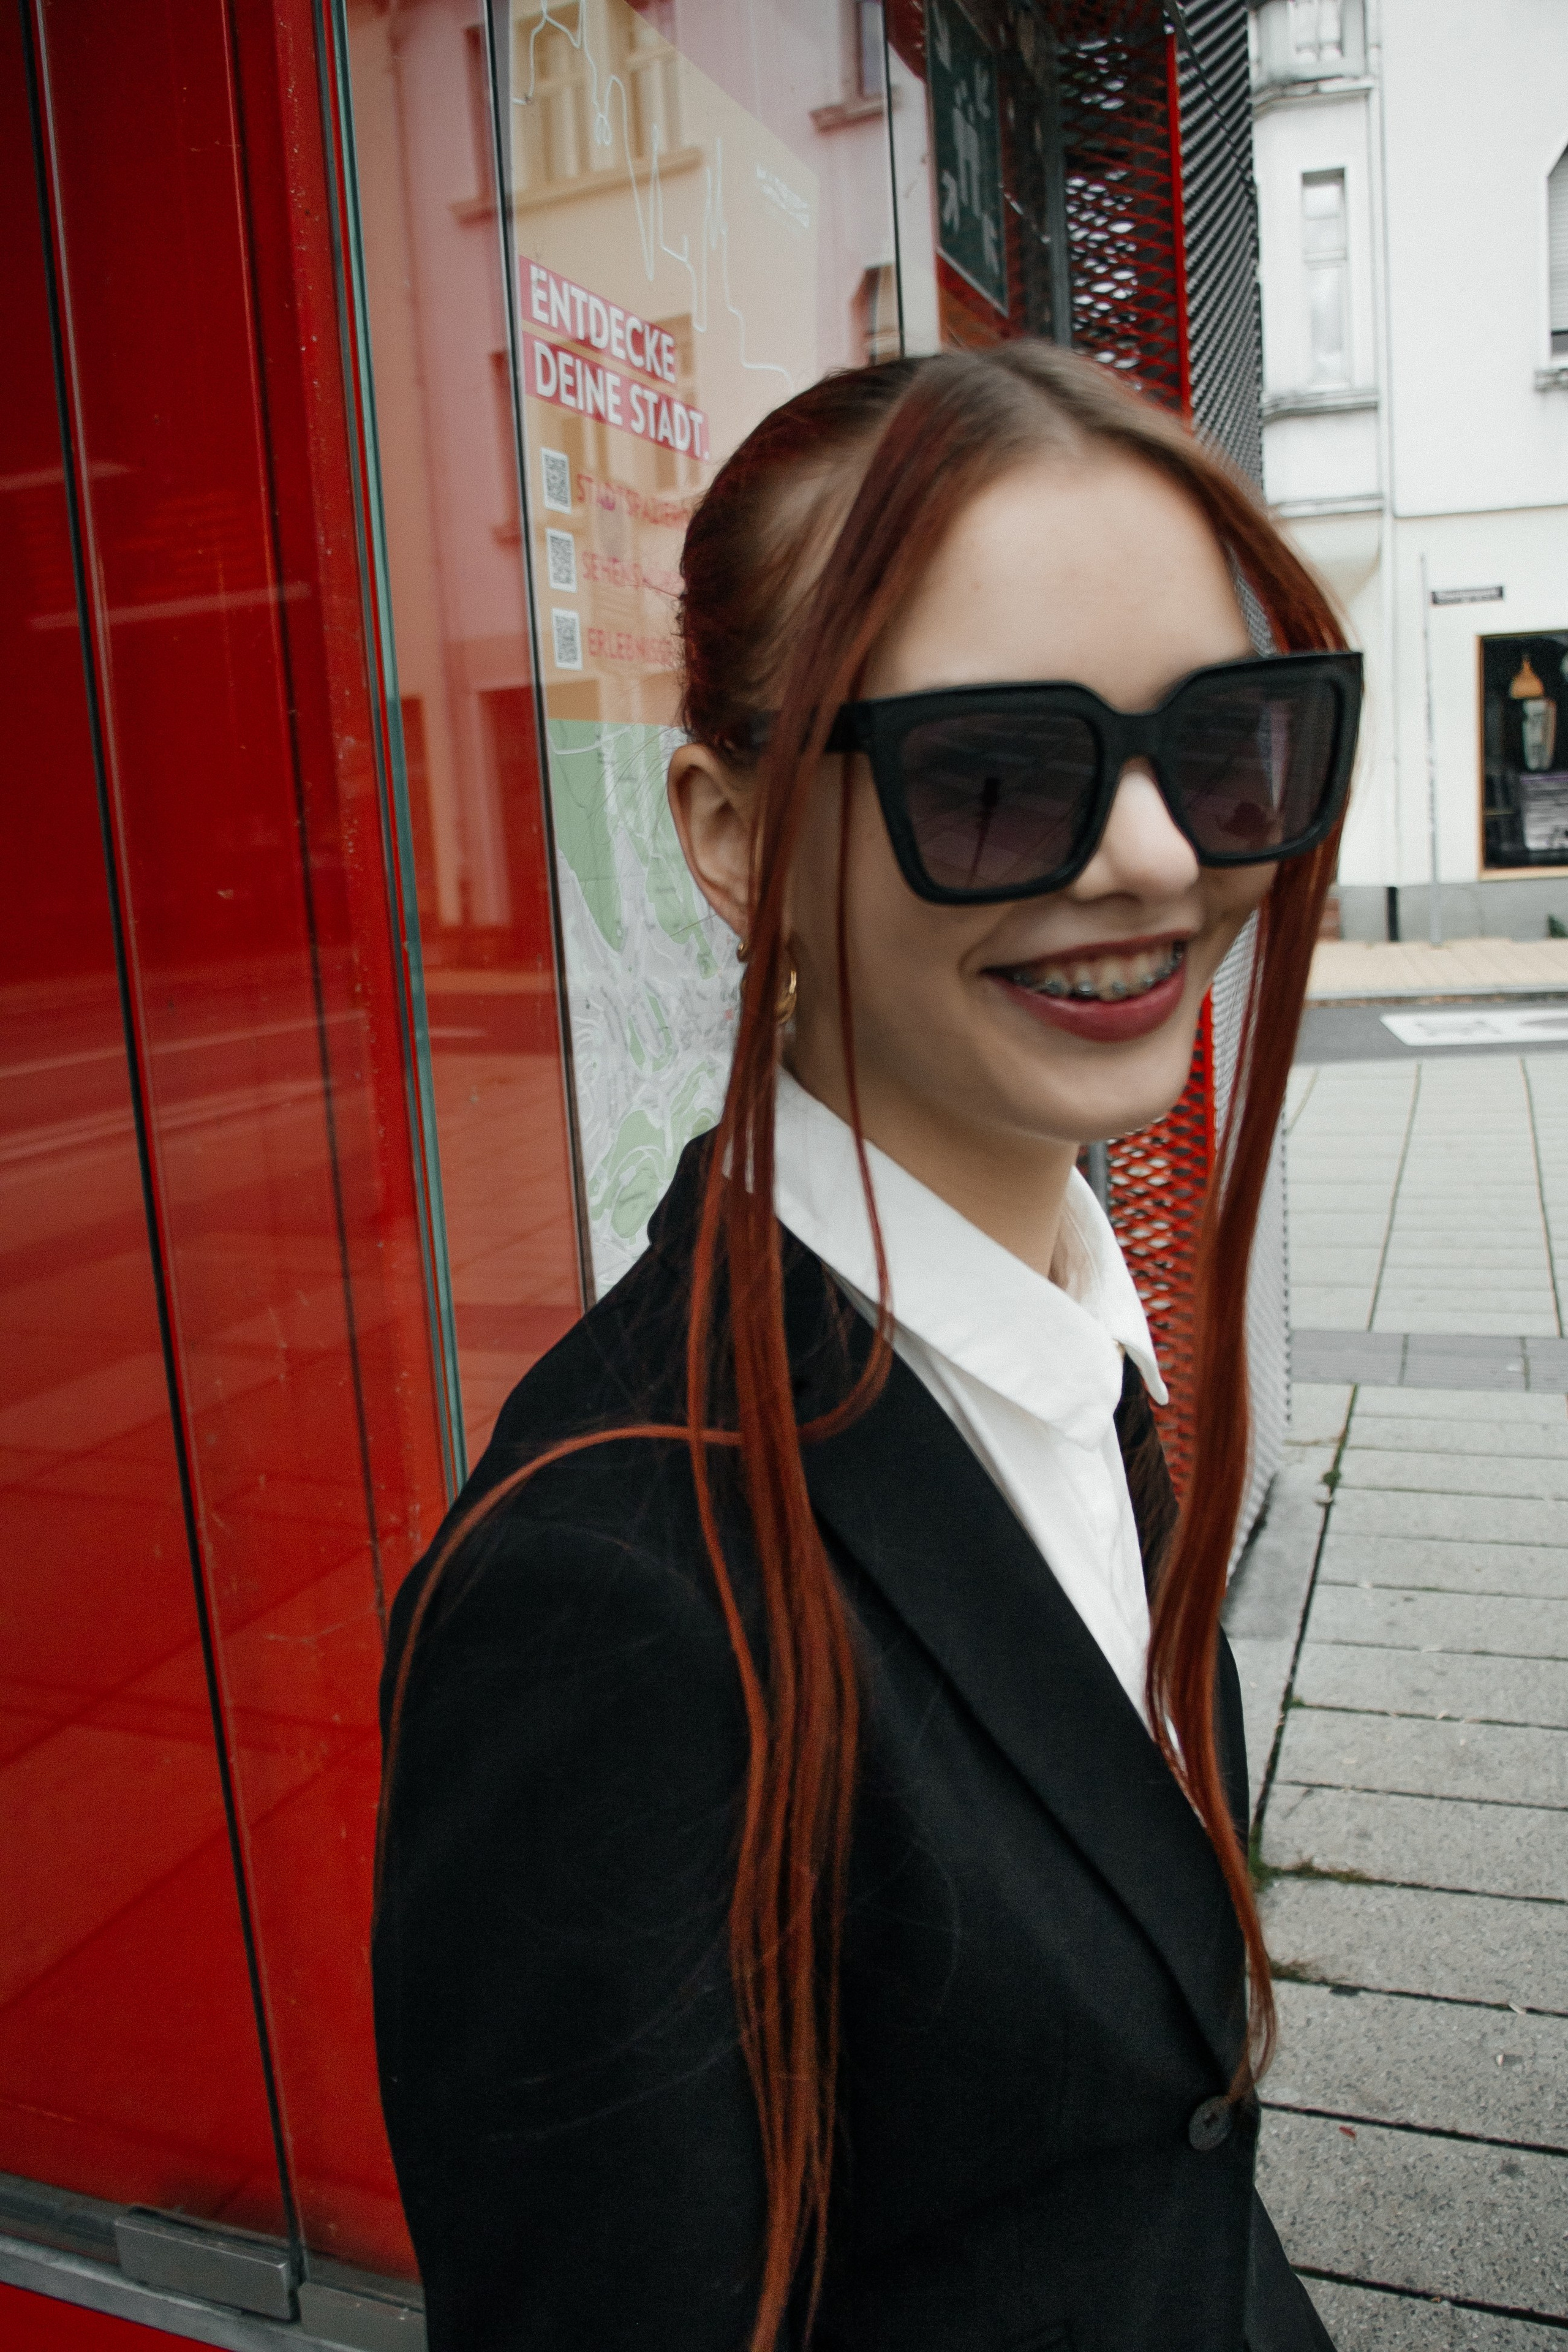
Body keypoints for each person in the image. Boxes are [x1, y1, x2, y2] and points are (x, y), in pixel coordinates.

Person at [372, 344, 1359, 2352]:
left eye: (1227, 745)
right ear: (736, 840)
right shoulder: (610, 1598)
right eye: (995, 772)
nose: (1162, 857)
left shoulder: (1073, 1352)